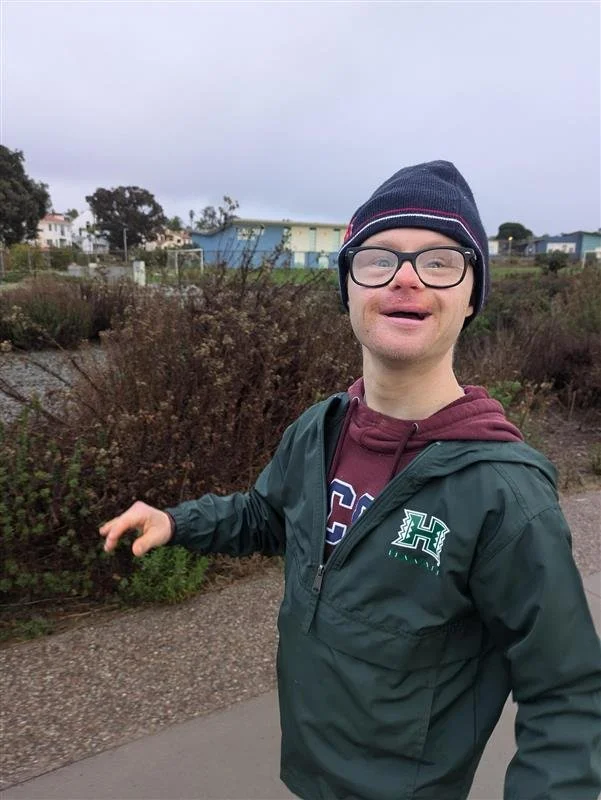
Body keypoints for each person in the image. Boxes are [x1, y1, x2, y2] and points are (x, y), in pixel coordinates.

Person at [100, 160, 601, 800]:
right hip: (310, 769)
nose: (406, 281)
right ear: (348, 288)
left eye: (441, 261)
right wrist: (179, 522)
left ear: (473, 294)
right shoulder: (319, 429)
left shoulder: (504, 492)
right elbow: (268, 515)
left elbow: (562, 690)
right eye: (378, 259)